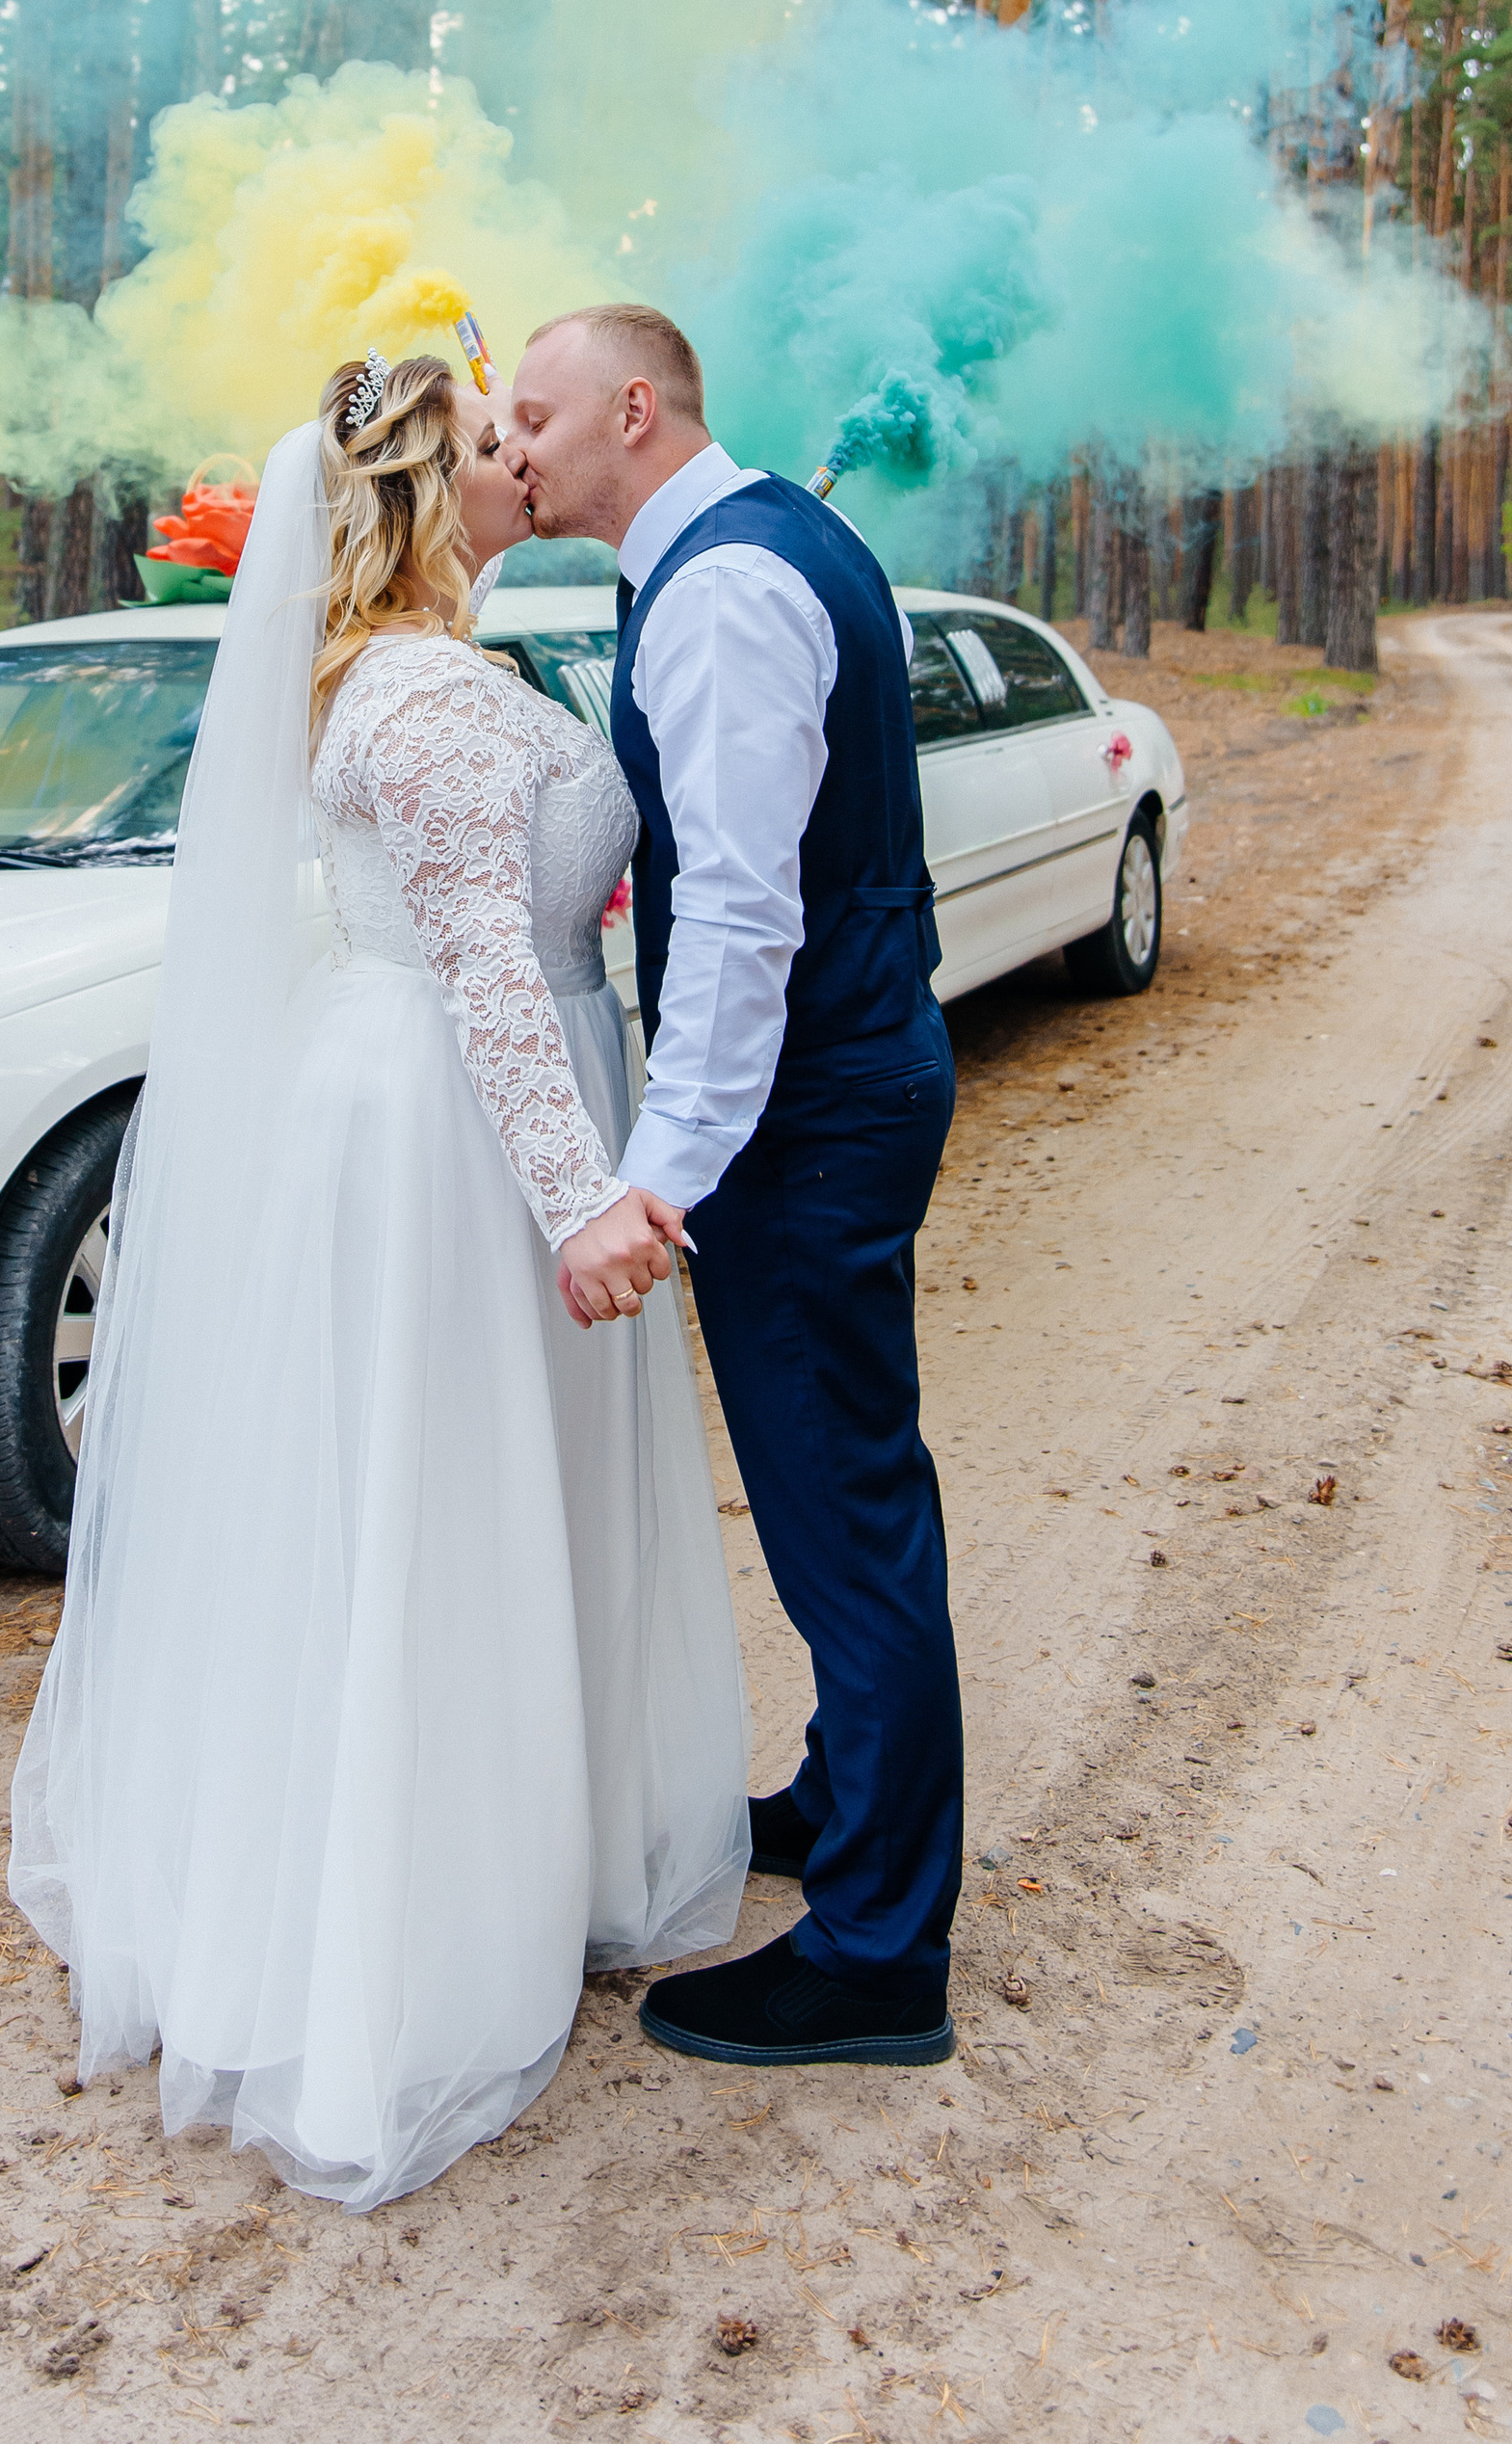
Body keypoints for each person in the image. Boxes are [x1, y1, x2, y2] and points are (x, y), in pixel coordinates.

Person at [9, 354, 748, 2211]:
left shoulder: (431, 667)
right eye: (494, 444)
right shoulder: (416, 693)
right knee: (434, 1516)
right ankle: (401, 1953)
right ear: (435, 497)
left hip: (465, 1098)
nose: (523, 457)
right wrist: (582, 1198)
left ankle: (528, 1846)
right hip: (447, 1127)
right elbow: (493, 970)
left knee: (472, 1505)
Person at [502, 302, 962, 2071]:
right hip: (845, 1074)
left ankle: (875, 1953)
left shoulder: (723, 590)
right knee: (855, 1472)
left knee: (843, 1507)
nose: (515, 446)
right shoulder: (758, 543)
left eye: (535, 415)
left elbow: (746, 916)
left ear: (636, 405)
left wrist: (659, 1177)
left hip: (810, 1105)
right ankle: (852, 1796)